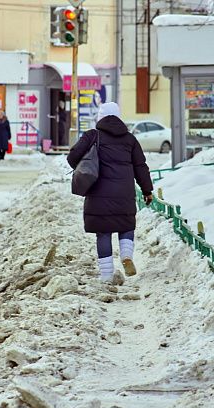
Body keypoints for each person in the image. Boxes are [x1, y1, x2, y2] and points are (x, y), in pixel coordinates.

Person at [67, 102, 154, 284]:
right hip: (124, 193)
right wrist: (147, 190)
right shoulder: (130, 139)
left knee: (103, 233)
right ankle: (126, 255)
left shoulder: (93, 135)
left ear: (100, 117)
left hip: (98, 194)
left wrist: (86, 162)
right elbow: (141, 167)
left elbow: (72, 157)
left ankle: (106, 276)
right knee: (126, 225)